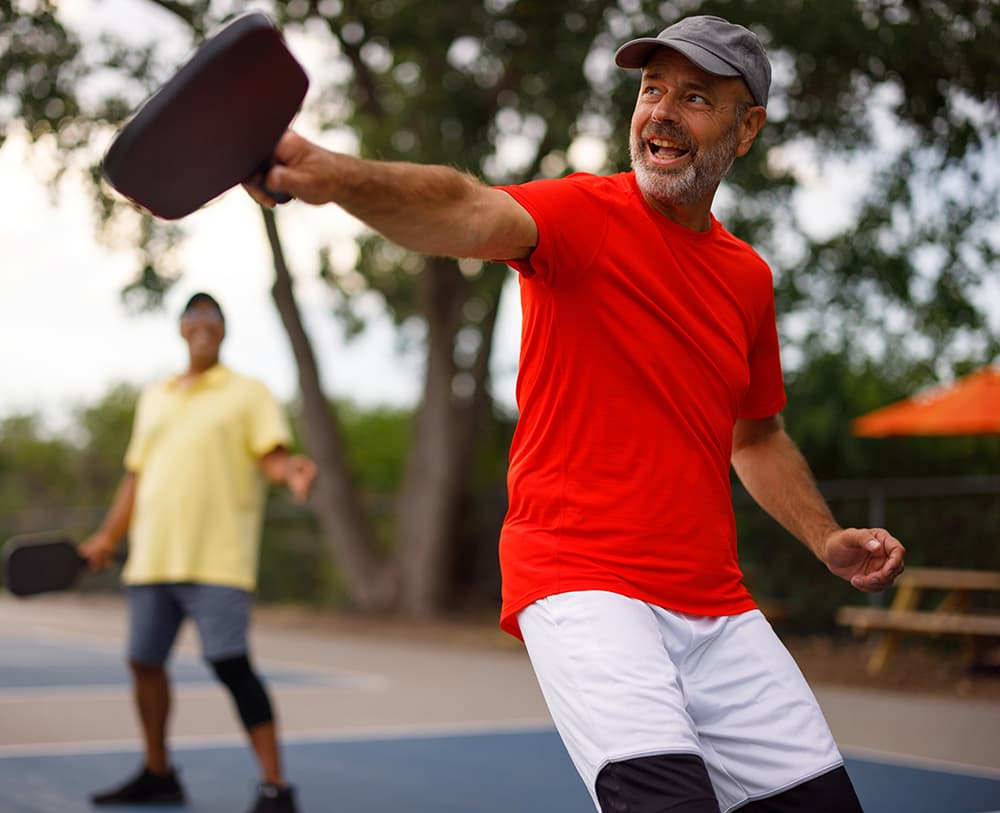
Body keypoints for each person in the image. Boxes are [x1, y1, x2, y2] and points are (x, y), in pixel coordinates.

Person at [247, 15, 906, 813]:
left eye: (695, 97)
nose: (661, 111)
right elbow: (464, 211)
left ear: (747, 127)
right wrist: (333, 174)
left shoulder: (747, 279)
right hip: (583, 581)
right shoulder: (580, 217)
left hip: (717, 606)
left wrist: (826, 536)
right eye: (651, 89)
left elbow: (756, 433)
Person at [80, 292, 317, 813]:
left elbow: (272, 459)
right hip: (152, 559)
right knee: (144, 662)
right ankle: (158, 772)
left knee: (230, 664)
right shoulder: (156, 396)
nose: (203, 322)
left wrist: (292, 471)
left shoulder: (249, 393)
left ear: (224, 331)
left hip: (217, 558)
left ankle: (276, 786)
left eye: (214, 316)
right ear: (182, 328)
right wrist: (107, 538)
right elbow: (136, 477)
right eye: (194, 314)